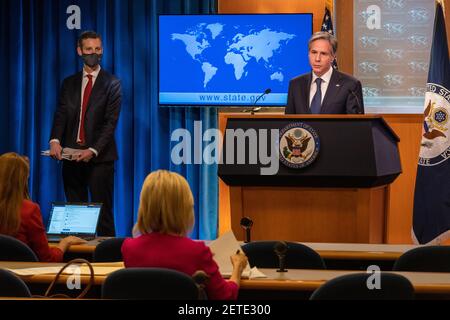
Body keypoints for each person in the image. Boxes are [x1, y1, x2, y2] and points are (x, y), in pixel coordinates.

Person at [121, 170, 248, 300]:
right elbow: (226, 297)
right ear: (184, 210)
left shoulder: (129, 248)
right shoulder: (197, 252)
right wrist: (238, 267)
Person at [49, 31, 122, 236]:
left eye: (98, 49)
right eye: (89, 49)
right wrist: (55, 141)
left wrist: (92, 150)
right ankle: (77, 258)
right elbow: (61, 114)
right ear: (79, 51)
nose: (94, 53)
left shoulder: (112, 84)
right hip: (71, 158)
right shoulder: (69, 83)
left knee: (104, 214)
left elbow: (110, 123)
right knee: (74, 214)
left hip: (100, 159)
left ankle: (107, 261)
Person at [0, 152, 86, 262]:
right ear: (22, 179)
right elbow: (48, 259)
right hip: (25, 277)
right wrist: (65, 243)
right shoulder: (29, 209)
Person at [285, 31, 364, 114]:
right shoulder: (296, 84)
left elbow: (356, 124)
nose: (317, 59)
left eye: (323, 53)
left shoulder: (350, 84)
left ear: (333, 57)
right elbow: (288, 124)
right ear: (308, 54)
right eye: (314, 52)